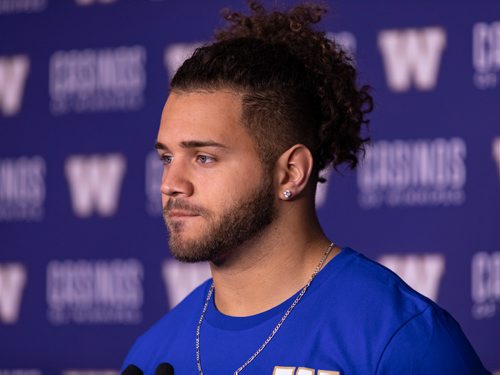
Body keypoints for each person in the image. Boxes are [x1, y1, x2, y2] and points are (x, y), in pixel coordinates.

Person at [122, 1, 489, 374]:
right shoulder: (150, 354)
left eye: (204, 158)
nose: (170, 184)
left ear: (291, 173)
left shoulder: (401, 339)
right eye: (167, 158)